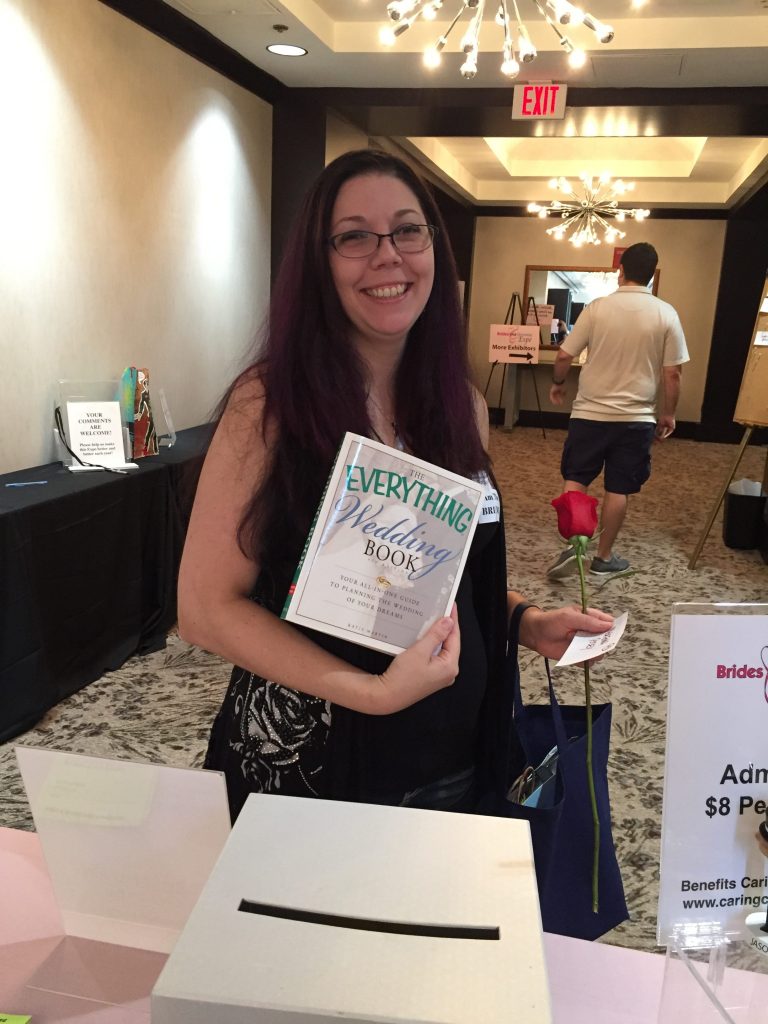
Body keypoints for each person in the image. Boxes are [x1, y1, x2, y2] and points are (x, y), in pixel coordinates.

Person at [178, 149, 612, 820]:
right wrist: (372, 693)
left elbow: (435, 576)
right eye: (355, 237)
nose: (388, 256)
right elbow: (205, 608)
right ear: (319, 262)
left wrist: (523, 620)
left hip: (452, 758)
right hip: (313, 765)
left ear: (434, 247)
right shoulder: (269, 407)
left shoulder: (463, 405)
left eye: (408, 230)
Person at [546, 242, 689, 579]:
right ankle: (604, 557)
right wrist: (668, 414)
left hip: (589, 415)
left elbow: (564, 355)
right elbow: (673, 373)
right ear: (651, 275)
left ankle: (574, 548)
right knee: (619, 488)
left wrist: (558, 383)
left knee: (576, 479)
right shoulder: (666, 313)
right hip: (636, 420)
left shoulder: (597, 308)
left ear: (620, 271)